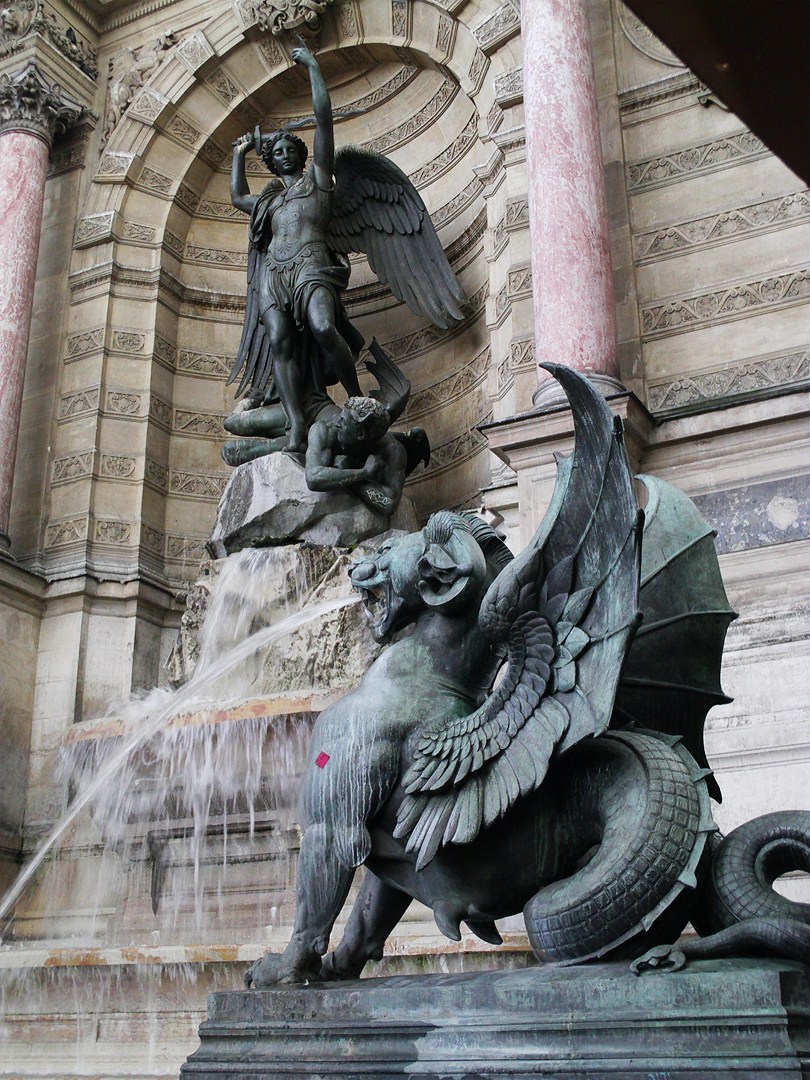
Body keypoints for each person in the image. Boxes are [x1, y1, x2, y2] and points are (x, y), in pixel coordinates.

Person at [229, 41, 363, 452]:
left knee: (323, 326)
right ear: (271, 161)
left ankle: (356, 397)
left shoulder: (318, 181)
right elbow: (238, 197)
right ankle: (296, 424)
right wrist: (240, 154)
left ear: (302, 156)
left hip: (311, 264)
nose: (285, 154)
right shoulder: (269, 201)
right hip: (275, 273)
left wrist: (313, 68)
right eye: (278, 152)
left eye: (291, 150)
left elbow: (323, 120)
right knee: (280, 344)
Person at [304, 397, 410, 516]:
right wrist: (363, 473)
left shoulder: (392, 449)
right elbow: (313, 478)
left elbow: (389, 503)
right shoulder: (324, 429)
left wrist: (354, 476)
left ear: (361, 433)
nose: (338, 423)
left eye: (343, 421)